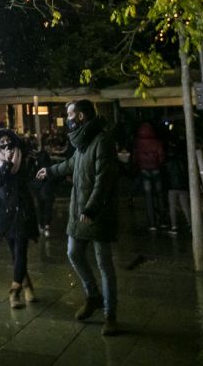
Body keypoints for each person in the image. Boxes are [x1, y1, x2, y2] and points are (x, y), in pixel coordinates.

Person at [36, 100, 122, 336]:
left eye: (70, 114)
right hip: (79, 210)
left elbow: (103, 180)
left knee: (105, 264)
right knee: (73, 253)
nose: (68, 118)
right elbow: (73, 164)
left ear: (81, 116)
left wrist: (92, 208)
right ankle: (93, 295)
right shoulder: (82, 141)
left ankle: (110, 314)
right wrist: (51, 171)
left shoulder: (102, 141)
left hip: (97, 213)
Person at [0, 127, 39, 308]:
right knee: (14, 252)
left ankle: (14, 291)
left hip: (22, 209)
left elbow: (28, 178)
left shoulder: (21, 156)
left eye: (8, 141)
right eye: (1, 143)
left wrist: (31, 162)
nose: (6, 145)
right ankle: (27, 285)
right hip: (5, 211)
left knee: (21, 250)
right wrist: (7, 164)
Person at [133, 122, 166, 231]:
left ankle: (152, 223)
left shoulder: (138, 143)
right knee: (159, 195)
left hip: (144, 170)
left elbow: (135, 158)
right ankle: (162, 221)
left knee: (148, 197)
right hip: (156, 169)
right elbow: (161, 156)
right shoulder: (157, 142)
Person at [34, 133, 68, 237]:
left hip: (40, 187)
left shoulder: (40, 156)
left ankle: (42, 225)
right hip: (47, 187)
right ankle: (46, 225)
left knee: (41, 207)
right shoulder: (46, 158)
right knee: (47, 207)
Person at [163, 141, 191, 234]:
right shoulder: (183, 160)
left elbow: (166, 175)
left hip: (172, 186)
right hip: (183, 186)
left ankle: (174, 226)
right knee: (185, 206)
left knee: (172, 206)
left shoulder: (167, 162)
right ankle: (189, 223)